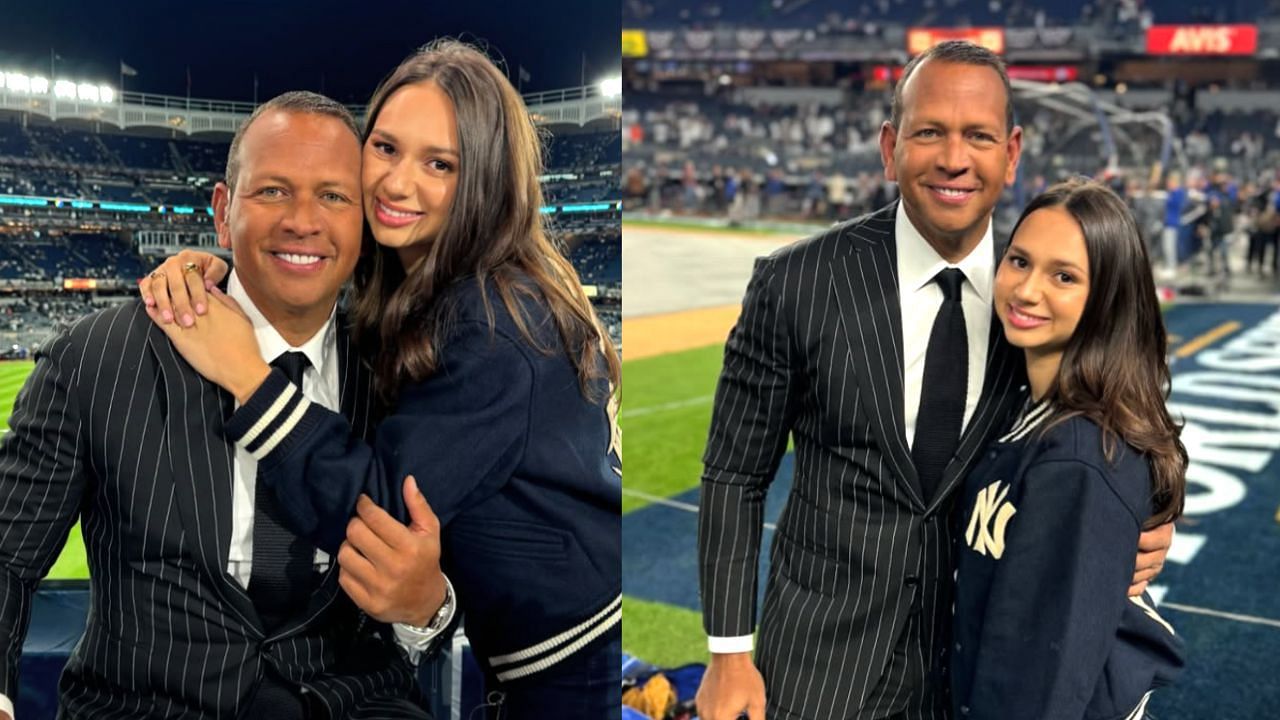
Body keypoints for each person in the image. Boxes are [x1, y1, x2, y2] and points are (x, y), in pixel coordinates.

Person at [694, 41, 1175, 720]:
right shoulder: (796, 281)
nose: (954, 158)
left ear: (1011, 154)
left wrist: (1154, 503)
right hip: (818, 665)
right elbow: (734, 474)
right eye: (929, 133)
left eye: (978, 135)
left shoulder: (1034, 289)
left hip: (973, 667)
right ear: (890, 148)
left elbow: (1127, 383)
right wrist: (728, 652)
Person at [141, 40, 621, 719]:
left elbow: (382, 520)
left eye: (440, 164)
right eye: (387, 147)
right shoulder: (430, 275)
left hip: (574, 666)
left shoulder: (494, 319)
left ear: (482, 180)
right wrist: (223, 266)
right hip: (535, 648)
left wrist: (248, 375)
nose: (397, 183)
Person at [0, 92, 449, 719]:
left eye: (334, 196)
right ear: (221, 210)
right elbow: (7, 555)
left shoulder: (404, 373)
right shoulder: (97, 356)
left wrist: (429, 607)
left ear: (365, 221)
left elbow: (443, 595)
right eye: (272, 191)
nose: (302, 220)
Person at [952, 179, 1185, 718]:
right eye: (1019, 262)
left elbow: (1040, 686)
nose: (1028, 290)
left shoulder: (1077, 461)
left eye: (1064, 276)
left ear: (1106, 298)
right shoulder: (1026, 402)